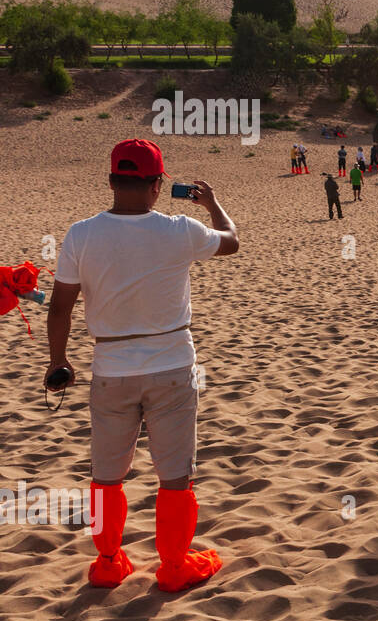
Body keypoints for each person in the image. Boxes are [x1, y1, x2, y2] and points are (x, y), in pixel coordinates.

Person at [46, 139, 238, 592]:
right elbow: (231, 241)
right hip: (171, 364)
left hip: (110, 367)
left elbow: (60, 309)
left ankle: (109, 561)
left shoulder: (80, 233)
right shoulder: (179, 230)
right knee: (174, 474)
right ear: (156, 186)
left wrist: (59, 361)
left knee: (106, 473)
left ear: (112, 180)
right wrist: (212, 203)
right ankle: (173, 565)